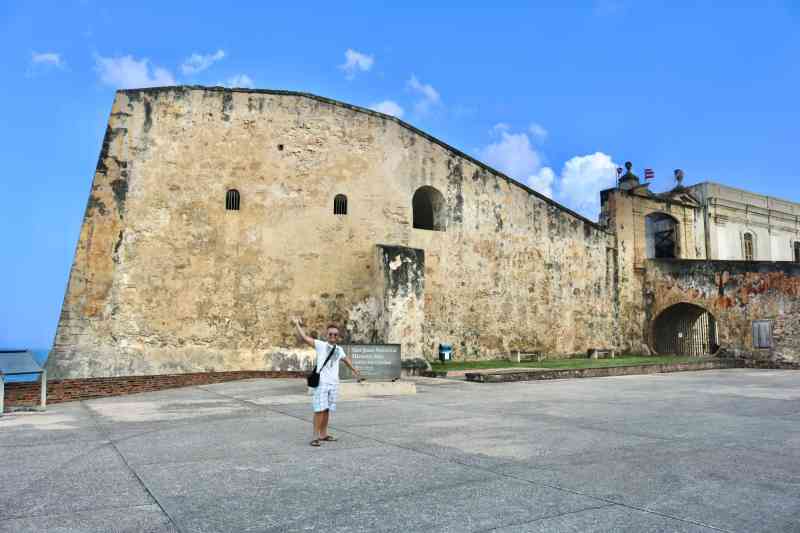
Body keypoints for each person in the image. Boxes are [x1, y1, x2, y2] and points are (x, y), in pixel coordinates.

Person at [292, 318, 362, 447]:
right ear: (327, 335)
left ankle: (323, 434)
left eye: (335, 334)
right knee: (319, 409)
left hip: (333, 383)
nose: (333, 336)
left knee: (327, 409)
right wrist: (297, 324)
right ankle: (315, 436)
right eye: (330, 334)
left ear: (338, 336)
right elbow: (304, 337)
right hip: (322, 383)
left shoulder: (339, 349)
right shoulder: (320, 345)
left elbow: (346, 360)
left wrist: (354, 370)